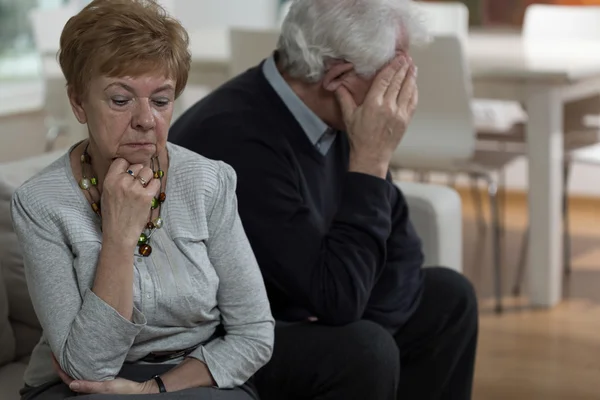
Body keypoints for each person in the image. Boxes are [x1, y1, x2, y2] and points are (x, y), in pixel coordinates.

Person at [168, 0, 479, 399]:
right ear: (340, 76)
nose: (404, 89)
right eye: (395, 72)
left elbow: (402, 255)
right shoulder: (237, 137)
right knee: (365, 347)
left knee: (449, 298)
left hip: (306, 304)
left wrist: (352, 307)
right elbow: (335, 299)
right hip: (225, 337)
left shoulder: (338, 113)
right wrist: (370, 160)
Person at [11, 1, 274, 399]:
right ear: (79, 102)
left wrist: (153, 388)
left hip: (190, 373)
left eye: (161, 100)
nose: (146, 119)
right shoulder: (39, 203)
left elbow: (254, 334)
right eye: (121, 100)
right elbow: (86, 369)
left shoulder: (209, 181)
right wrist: (118, 236)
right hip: (78, 385)